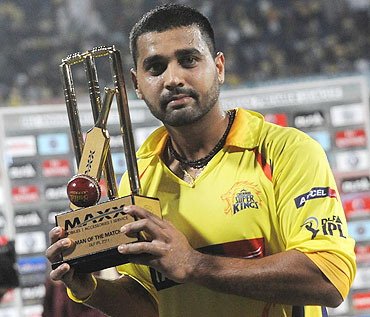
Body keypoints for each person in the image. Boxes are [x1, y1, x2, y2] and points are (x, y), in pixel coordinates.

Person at [46, 3, 356, 316]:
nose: (173, 79)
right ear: (137, 84)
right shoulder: (138, 181)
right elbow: (155, 305)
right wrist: (91, 290)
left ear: (219, 67)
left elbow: (328, 277)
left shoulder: (286, 151)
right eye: (155, 67)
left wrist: (196, 264)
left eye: (188, 60)